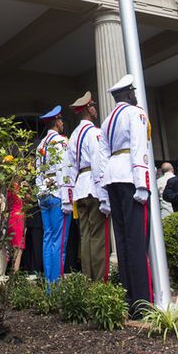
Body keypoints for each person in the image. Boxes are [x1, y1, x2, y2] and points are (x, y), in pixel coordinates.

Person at [100, 74, 152, 314]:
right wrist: (143, 182)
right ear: (129, 94)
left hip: (112, 176)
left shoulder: (107, 120)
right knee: (137, 239)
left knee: (122, 240)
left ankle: (129, 297)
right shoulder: (136, 113)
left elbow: (102, 157)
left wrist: (103, 193)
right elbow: (139, 146)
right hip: (131, 176)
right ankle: (143, 301)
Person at [63, 91, 110, 281]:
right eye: (93, 106)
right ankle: (100, 283)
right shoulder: (95, 133)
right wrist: (104, 194)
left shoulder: (74, 135)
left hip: (80, 188)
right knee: (99, 237)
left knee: (86, 237)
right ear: (88, 110)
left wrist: (69, 195)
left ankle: (88, 279)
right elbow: (99, 164)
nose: (96, 109)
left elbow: (69, 167)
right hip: (94, 187)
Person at [35, 106, 70, 286]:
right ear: (56, 122)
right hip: (58, 193)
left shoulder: (41, 145)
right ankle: (56, 286)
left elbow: (38, 173)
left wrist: (40, 192)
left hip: (44, 193)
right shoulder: (61, 142)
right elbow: (64, 170)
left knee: (47, 239)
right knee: (59, 242)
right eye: (61, 120)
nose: (62, 123)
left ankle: (49, 285)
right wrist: (67, 197)